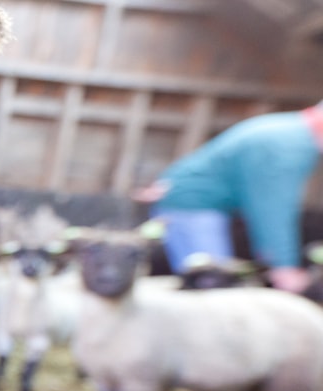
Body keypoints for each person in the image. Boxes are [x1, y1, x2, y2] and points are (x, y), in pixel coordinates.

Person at [133, 100, 323, 293]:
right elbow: (271, 209)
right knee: (212, 284)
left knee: (217, 284)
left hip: (202, 205)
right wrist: (284, 266)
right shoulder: (287, 146)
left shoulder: (289, 131)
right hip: (194, 207)